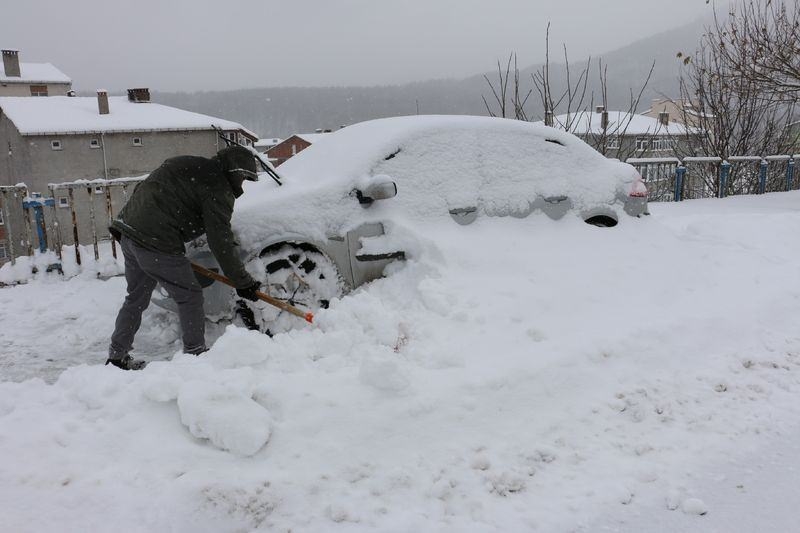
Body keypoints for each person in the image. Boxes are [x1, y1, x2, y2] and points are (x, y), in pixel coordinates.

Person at [106, 145, 262, 370]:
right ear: (234, 172)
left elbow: (147, 188)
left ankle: (116, 356)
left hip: (129, 232)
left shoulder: (184, 161)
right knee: (189, 295)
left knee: (136, 298)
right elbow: (220, 241)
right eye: (243, 178)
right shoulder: (218, 188)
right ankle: (195, 356)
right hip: (156, 241)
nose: (242, 184)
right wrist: (242, 282)